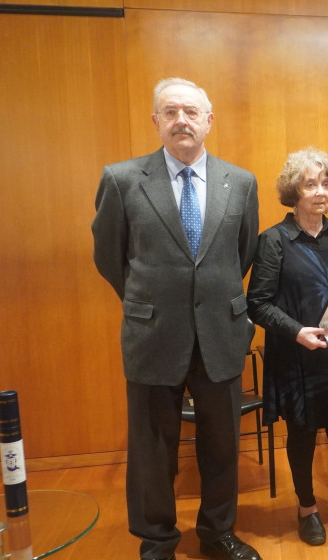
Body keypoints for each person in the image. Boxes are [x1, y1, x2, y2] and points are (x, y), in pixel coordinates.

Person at [92, 77, 261, 560]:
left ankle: (217, 533)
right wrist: (151, 301)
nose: (181, 120)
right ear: (156, 121)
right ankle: (157, 539)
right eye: (170, 111)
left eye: (191, 111)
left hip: (221, 334)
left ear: (209, 120)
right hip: (152, 334)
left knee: (222, 445)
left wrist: (207, 296)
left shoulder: (241, 182)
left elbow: (241, 253)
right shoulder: (122, 180)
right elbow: (109, 257)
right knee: (152, 448)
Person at [247, 148, 328, 546]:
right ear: (294, 191)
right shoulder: (274, 240)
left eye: (325, 184)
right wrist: (297, 331)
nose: (320, 192)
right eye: (310, 184)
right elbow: (258, 303)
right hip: (295, 353)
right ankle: (307, 508)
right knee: (301, 433)